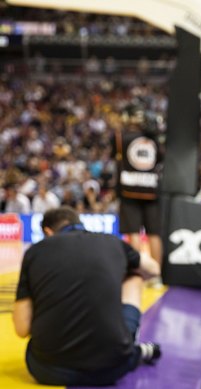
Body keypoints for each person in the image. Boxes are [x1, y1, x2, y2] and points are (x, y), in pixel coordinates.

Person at [13, 206, 162, 386]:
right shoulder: (112, 242)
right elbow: (153, 269)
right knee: (134, 278)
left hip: (48, 370)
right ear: (80, 223)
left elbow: (21, 328)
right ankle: (135, 349)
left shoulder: (35, 252)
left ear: (48, 232)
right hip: (112, 368)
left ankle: (135, 350)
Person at [112, 104, 163, 268]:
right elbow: (161, 159)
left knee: (133, 233)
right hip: (152, 190)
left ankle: (136, 270)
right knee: (153, 233)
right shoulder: (154, 139)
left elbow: (116, 157)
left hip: (129, 190)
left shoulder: (121, 137)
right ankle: (157, 275)